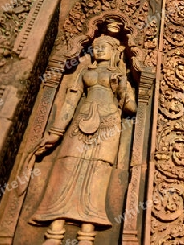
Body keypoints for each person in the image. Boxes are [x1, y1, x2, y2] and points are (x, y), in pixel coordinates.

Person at [30, 21, 136, 245]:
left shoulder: (120, 75)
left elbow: (131, 108)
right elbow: (70, 101)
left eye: (103, 46)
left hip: (108, 126)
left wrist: (120, 89)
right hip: (80, 121)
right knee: (66, 167)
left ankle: (87, 234)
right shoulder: (84, 71)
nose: (98, 50)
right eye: (96, 46)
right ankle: (55, 230)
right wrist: (56, 132)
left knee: (97, 172)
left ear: (113, 51)